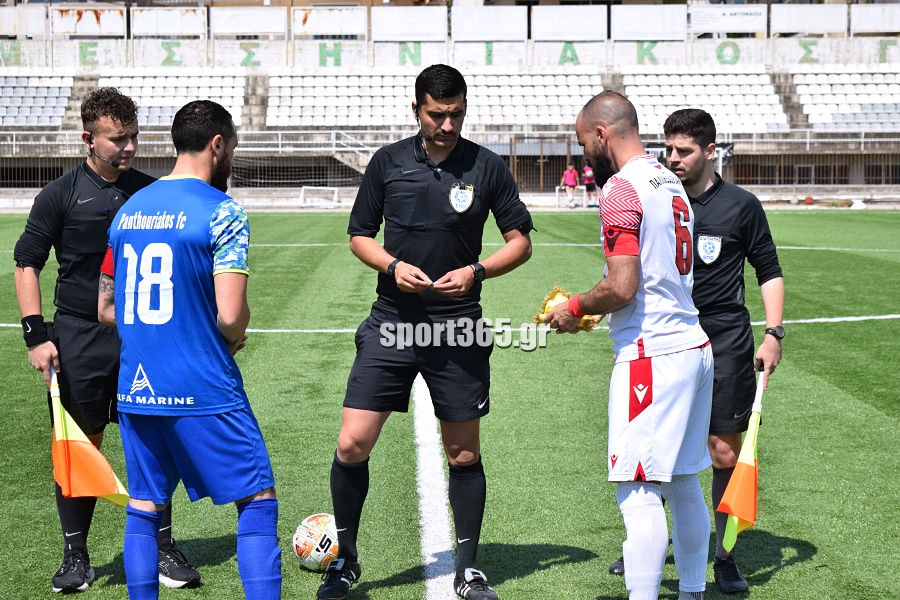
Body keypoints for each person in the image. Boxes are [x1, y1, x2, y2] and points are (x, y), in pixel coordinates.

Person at [318, 64, 533, 600]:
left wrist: (478, 270)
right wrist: (391, 266)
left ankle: (468, 569)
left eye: (457, 114)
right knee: (351, 444)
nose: (448, 124)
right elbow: (358, 235)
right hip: (391, 321)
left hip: (457, 328)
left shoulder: (485, 165)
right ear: (416, 110)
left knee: (462, 454)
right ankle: (345, 562)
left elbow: (520, 240)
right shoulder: (387, 162)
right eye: (437, 114)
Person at [13, 87, 200, 594]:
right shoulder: (60, 194)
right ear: (88, 139)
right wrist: (36, 336)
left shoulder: (151, 191)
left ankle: (163, 547)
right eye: (119, 139)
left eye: (135, 137)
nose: (130, 148)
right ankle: (76, 555)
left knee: (154, 441)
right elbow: (26, 263)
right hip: (78, 335)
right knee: (80, 447)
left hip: (144, 334)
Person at [97, 100, 281, 600]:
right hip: (202, 384)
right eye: (232, 148)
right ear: (217, 145)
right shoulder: (223, 211)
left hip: (137, 387)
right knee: (257, 500)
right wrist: (230, 335)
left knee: (144, 506)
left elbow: (106, 309)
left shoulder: (128, 209)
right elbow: (229, 315)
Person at [544, 91, 713, 600]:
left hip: (652, 353)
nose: (583, 154)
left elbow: (622, 286)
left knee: (639, 493)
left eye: (582, 142)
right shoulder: (671, 181)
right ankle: (691, 592)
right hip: (691, 344)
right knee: (683, 481)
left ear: (601, 135)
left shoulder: (621, 187)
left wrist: (573, 309)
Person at [664, 108, 784, 593]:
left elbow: (768, 269)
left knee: (721, 453)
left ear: (710, 151)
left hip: (726, 339)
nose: (673, 159)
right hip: (670, 337)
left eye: (684, 151)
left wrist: (774, 332)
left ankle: (724, 555)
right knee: (659, 448)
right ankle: (652, 544)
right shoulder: (659, 201)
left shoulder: (741, 204)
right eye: (668, 149)